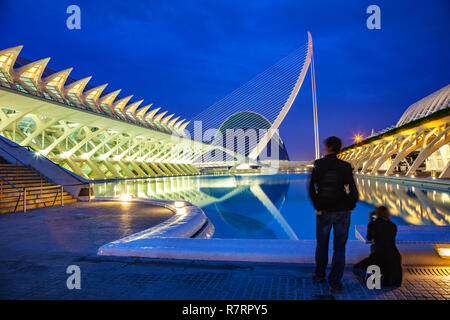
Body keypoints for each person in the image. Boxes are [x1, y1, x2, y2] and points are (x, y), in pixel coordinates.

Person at [308, 136, 359, 293]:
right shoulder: (345, 166)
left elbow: (312, 189)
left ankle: (319, 275)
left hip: (324, 211)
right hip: (342, 212)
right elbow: (353, 190)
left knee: (322, 245)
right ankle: (335, 282)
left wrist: (317, 206)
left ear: (328, 147)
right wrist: (350, 206)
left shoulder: (319, 165)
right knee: (339, 249)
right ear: (339, 148)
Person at [353, 206, 402, 287]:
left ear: (377, 214)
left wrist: (371, 220)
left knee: (357, 268)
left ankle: (371, 279)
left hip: (379, 255)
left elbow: (369, 237)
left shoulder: (373, 224)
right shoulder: (393, 225)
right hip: (394, 256)